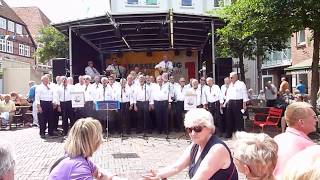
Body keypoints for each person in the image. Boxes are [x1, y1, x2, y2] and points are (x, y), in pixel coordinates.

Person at [142, 108, 238, 180]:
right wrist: (158, 175)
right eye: (189, 129)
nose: (193, 133)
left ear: (209, 128)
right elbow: (176, 167)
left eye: (197, 129)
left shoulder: (217, 149)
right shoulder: (195, 145)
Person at [48, 118, 117, 180]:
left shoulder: (75, 158)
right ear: (92, 141)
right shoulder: (80, 168)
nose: (101, 140)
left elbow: (98, 172)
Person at [273, 102, 317, 177]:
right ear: (301, 122)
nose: (317, 120)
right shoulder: (310, 148)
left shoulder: (276, 140)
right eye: (314, 117)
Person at [224, 72, 249, 138]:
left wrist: (244, 104)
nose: (230, 79)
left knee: (238, 119)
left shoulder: (241, 84)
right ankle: (230, 133)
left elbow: (244, 94)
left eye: (231, 77)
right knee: (229, 118)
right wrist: (225, 103)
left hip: (238, 102)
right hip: (230, 102)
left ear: (236, 77)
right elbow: (228, 95)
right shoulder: (230, 85)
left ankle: (238, 134)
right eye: (230, 77)